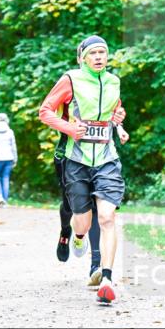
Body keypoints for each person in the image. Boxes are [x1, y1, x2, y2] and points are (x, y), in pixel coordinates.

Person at [39, 35, 127, 304]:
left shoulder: (113, 81)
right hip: (76, 159)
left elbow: (114, 110)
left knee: (108, 217)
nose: (99, 57)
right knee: (83, 221)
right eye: (94, 53)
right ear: (82, 57)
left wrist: (119, 125)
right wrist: (68, 128)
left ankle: (108, 279)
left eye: (103, 52)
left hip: (106, 157)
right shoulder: (71, 79)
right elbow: (45, 111)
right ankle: (77, 236)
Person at [0, 112, 17, 207]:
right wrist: (15, 159)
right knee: (6, 178)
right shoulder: (10, 131)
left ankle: (0, 196)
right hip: (9, 157)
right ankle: (5, 201)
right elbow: (14, 147)